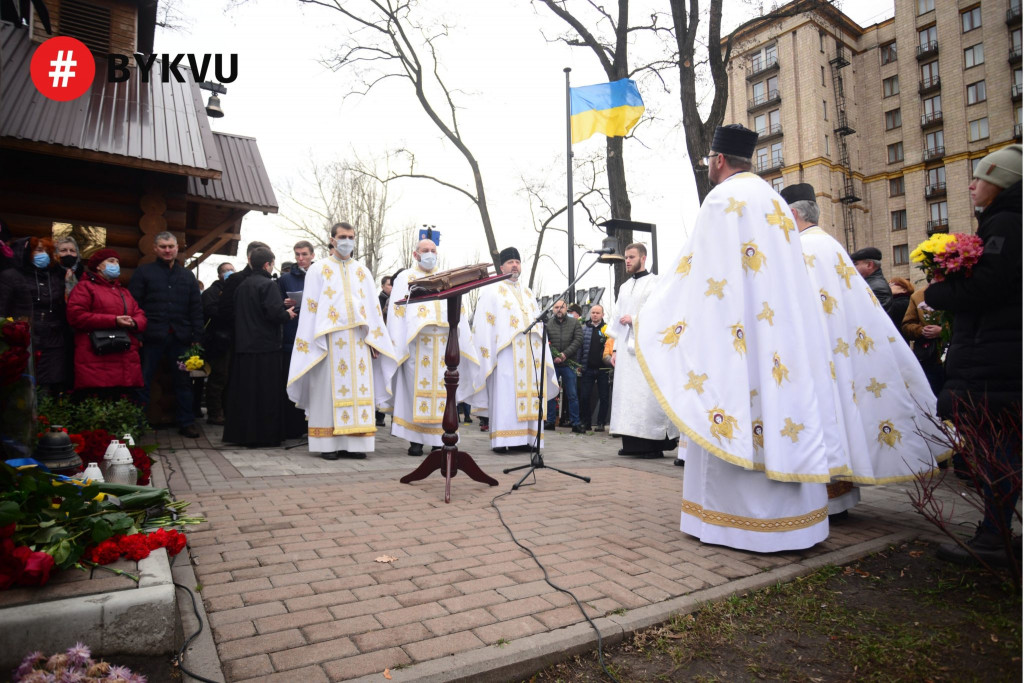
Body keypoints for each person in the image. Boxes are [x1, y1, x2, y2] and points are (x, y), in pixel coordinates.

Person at [635, 124, 837, 552]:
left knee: (732, 404)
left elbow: (699, 272)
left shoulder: (723, 199)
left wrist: (654, 314)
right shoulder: (776, 203)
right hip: (779, 333)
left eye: (709, 159)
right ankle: (795, 523)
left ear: (719, 160)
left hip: (736, 334)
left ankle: (731, 523)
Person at [780, 182, 945, 518]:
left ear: (793, 214)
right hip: (840, 352)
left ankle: (823, 501)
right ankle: (837, 498)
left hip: (816, 354)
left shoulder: (804, 250)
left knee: (824, 418)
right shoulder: (830, 246)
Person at [927, 144, 1022, 566]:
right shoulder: (1005, 221)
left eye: (980, 177)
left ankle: (994, 537)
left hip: (995, 360)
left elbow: (990, 287)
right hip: (1000, 356)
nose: (971, 184)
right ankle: (995, 530)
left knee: (996, 450)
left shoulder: (1006, 223)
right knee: (1001, 449)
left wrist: (939, 289)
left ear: (1000, 182)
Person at [287, 222, 397, 460]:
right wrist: (313, 341)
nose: (348, 240)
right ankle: (328, 444)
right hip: (329, 341)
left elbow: (373, 310)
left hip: (358, 340)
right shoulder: (319, 270)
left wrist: (374, 340)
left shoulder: (363, 271)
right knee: (327, 391)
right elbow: (310, 309)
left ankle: (356, 445)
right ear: (332, 239)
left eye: (351, 237)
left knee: (360, 391)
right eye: (343, 236)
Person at [386, 236, 478, 456]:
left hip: (444, 344)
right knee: (413, 392)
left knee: (443, 392)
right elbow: (397, 312)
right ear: (415, 254)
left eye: (433, 250)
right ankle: (415, 440)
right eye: (425, 250)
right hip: (417, 343)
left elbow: (460, 311)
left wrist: (464, 339)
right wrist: (398, 342)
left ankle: (439, 439)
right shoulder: (405, 277)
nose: (429, 254)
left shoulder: (446, 276)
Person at [469, 247, 557, 453]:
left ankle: (529, 440)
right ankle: (503, 441)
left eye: (517, 262)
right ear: (501, 267)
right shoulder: (492, 290)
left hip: (530, 353)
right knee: (506, 395)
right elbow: (483, 324)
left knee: (532, 395)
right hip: (506, 353)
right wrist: (487, 354)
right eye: (510, 262)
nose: (515, 265)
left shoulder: (528, 293)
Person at [128, 231, 204, 438]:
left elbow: (195, 308)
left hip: (181, 339)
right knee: (143, 381)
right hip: (151, 338)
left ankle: (186, 422)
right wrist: (138, 336)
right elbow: (134, 305)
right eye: (163, 246)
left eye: (171, 246)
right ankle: (137, 424)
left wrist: (196, 336)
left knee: (183, 382)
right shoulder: (144, 273)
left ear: (177, 248)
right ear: (155, 248)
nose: (167, 250)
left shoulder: (187, 276)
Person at [607, 243, 679, 458]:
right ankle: (631, 444)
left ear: (643, 258)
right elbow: (617, 318)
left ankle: (652, 445)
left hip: (647, 350)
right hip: (626, 352)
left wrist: (636, 320)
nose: (627, 261)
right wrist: (616, 350)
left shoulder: (656, 283)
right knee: (627, 397)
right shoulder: (624, 286)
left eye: (631, 257)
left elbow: (662, 314)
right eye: (626, 257)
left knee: (645, 397)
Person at [223, 247, 297, 447]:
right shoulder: (268, 285)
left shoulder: (242, 285)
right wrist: (287, 314)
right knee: (265, 395)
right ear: (267, 264)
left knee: (245, 394)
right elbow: (274, 313)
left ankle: (242, 435)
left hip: (244, 347)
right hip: (266, 349)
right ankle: (264, 435)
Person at [65, 249, 147, 398]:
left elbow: (139, 314)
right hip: (96, 355)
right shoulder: (84, 287)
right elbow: (76, 316)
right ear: (98, 266)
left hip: (123, 355)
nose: (115, 265)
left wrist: (134, 322)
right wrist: (114, 320)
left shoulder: (124, 291)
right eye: (111, 261)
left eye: (117, 262)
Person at [3, 237, 70, 393]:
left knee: (50, 381)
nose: (44, 255)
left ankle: (45, 415)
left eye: (47, 251)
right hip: (23, 336)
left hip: (53, 336)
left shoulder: (55, 276)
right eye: (39, 250)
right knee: (23, 382)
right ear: (27, 253)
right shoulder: (12, 276)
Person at [278, 240, 316, 439]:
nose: (300, 259)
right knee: (293, 380)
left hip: (314, 335)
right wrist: (284, 304)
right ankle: (293, 427)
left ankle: (314, 426)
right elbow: (276, 304)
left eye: (304, 254)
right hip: (293, 335)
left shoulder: (320, 274)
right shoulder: (286, 279)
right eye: (297, 255)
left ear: (312, 255)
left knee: (313, 382)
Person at [201, 262, 235, 425]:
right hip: (218, 341)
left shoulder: (235, 289)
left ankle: (228, 411)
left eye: (231, 270)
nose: (229, 273)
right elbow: (213, 313)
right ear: (219, 275)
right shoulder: (211, 292)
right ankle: (214, 413)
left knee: (229, 378)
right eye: (225, 271)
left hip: (233, 340)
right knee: (218, 377)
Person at [545, 299, 583, 433]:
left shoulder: (574, 323)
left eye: (562, 307)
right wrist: (553, 356)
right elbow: (544, 342)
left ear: (566, 309)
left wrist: (564, 355)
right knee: (551, 393)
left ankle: (575, 423)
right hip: (553, 364)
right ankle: (550, 421)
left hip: (568, 363)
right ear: (553, 309)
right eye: (556, 307)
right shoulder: (548, 324)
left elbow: (578, 339)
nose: (559, 309)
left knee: (572, 394)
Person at [901, 282, 945, 396]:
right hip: (929, 356)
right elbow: (906, 326)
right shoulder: (918, 296)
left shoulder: (955, 292)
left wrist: (942, 331)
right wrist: (921, 330)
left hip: (953, 354)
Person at [577, 304, 611, 432]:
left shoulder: (608, 330)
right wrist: (579, 364)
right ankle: (586, 422)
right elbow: (580, 348)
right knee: (585, 396)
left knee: (604, 397)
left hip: (603, 369)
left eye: (598, 313)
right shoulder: (584, 329)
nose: (595, 315)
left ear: (602, 315)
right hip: (588, 368)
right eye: (593, 312)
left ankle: (601, 422)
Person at [376, 274, 395, 427]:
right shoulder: (378, 299)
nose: (391, 288)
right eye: (389, 285)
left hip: (393, 342)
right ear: (382, 286)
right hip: (382, 340)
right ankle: (379, 414)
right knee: (381, 376)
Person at [849, 246, 893, 313]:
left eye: (855, 264)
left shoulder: (877, 289)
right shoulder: (869, 285)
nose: (852, 268)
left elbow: (866, 315)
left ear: (869, 265)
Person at [54, 236, 85, 300]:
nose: (69, 253)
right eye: (63, 250)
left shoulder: (83, 276)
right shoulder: (50, 273)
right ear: (55, 254)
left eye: (72, 251)